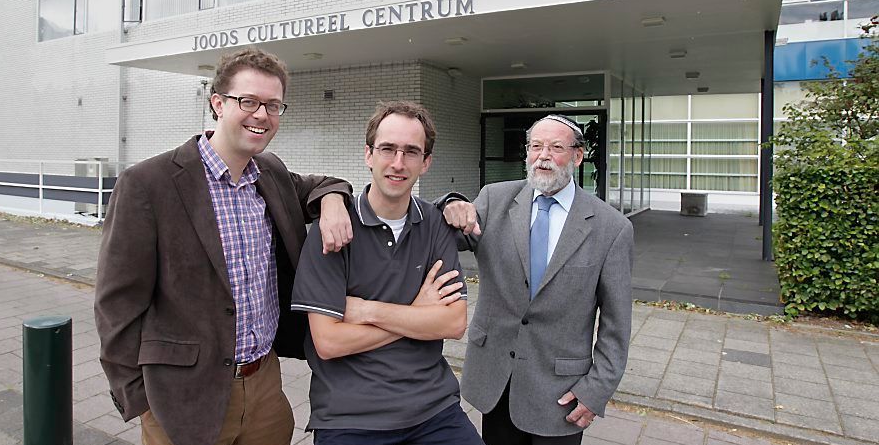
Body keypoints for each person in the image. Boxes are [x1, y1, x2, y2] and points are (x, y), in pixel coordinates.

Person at [94, 47, 354, 445]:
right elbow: (117, 303)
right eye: (247, 101)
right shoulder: (148, 184)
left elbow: (324, 184)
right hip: (183, 399)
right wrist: (139, 399)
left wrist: (333, 201)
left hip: (265, 385)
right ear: (217, 103)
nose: (262, 115)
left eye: (273, 105)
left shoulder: (272, 174)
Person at [291, 101, 483, 445]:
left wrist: (367, 310)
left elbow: (452, 324)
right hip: (350, 417)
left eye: (411, 152)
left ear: (426, 162)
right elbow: (329, 342)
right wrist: (417, 315)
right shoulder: (333, 229)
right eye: (388, 149)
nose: (398, 163)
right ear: (368, 154)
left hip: (434, 411)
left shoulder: (436, 224)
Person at [441, 114, 633, 445]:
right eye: (535, 146)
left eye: (556, 147)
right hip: (497, 381)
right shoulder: (494, 199)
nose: (543, 156)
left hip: (561, 393)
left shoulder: (610, 228)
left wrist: (596, 390)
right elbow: (437, 234)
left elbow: (617, 326)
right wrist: (449, 204)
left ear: (577, 155)